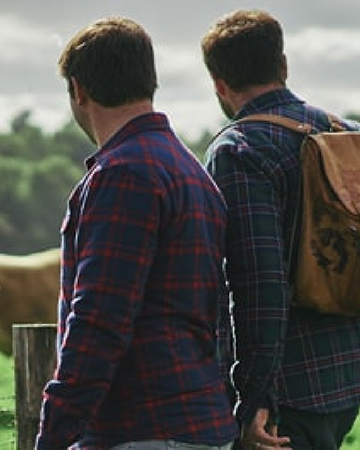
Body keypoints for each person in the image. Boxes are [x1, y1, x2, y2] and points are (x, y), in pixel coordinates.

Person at [199, 10, 360, 450]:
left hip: (288, 386)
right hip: (349, 372)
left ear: (219, 84)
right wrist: (356, 292)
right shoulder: (347, 133)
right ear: (283, 66)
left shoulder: (239, 150)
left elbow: (260, 286)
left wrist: (253, 397)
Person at [35, 16, 238, 450]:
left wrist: (54, 433)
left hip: (141, 425)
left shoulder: (124, 174)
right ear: (149, 81)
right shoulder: (190, 170)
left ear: (78, 90)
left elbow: (99, 320)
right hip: (200, 417)